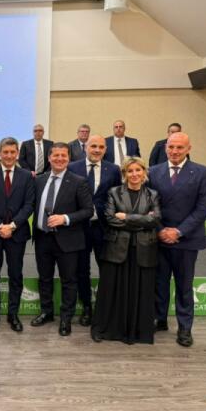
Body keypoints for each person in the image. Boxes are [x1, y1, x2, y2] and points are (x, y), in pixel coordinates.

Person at [148, 132, 206, 347]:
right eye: (171, 147)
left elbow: (203, 208)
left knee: (184, 286)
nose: (174, 151)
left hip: (187, 240)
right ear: (165, 147)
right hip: (159, 238)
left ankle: (185, 327)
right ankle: (159, 319)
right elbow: (147, 205)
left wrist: (178, 231)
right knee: (159, 282)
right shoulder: (153, 172)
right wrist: (161, 230)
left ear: (188, 149)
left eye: (180, 147)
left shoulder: (203, 173)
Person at [92, 157, 161, 344]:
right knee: (110, 291)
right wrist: (142, 220)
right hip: (117, 248)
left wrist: (127, 217)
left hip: (143, 249)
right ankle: (106, 329)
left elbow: (155, 220)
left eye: (138, 170)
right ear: (124, 174)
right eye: (130, 171)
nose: (134, 174)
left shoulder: (152, 194)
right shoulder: (114, 192)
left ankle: (137, 331)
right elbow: (110, 219)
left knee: (141, 292)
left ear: (144, 172)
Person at [30, 142, 93, 336]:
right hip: (43, 238)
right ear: (49, 158)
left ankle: (66, 318)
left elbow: (88, 211)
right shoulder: (39, 180)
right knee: (44, 278)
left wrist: (65, 218)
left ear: (69, 158)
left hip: (68, 240)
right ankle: (46, 312)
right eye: (55, 155)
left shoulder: (78, 181)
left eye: (63, 156)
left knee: (69, 281)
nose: (59, 159)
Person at [68, 135, 121, 326]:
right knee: (82, 270)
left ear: (105, 149)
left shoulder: (113, 170)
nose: (97, 150)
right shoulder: (72, 167)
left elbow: (117, 197)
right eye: (93, 146)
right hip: (79, 228)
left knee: (106, 268)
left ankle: (104, 308)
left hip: (103, 228)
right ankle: (86, 308)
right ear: (86, 148)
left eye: (101, 147)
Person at [0, 138, 34, 332]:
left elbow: (29, 205)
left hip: (17, 234)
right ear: (0, 153)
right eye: (6, 152)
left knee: (15, 275)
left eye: (13, 152)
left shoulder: (27, 176)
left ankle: (13, 314)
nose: (9, 155)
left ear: (17, 153)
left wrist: (11, 226)